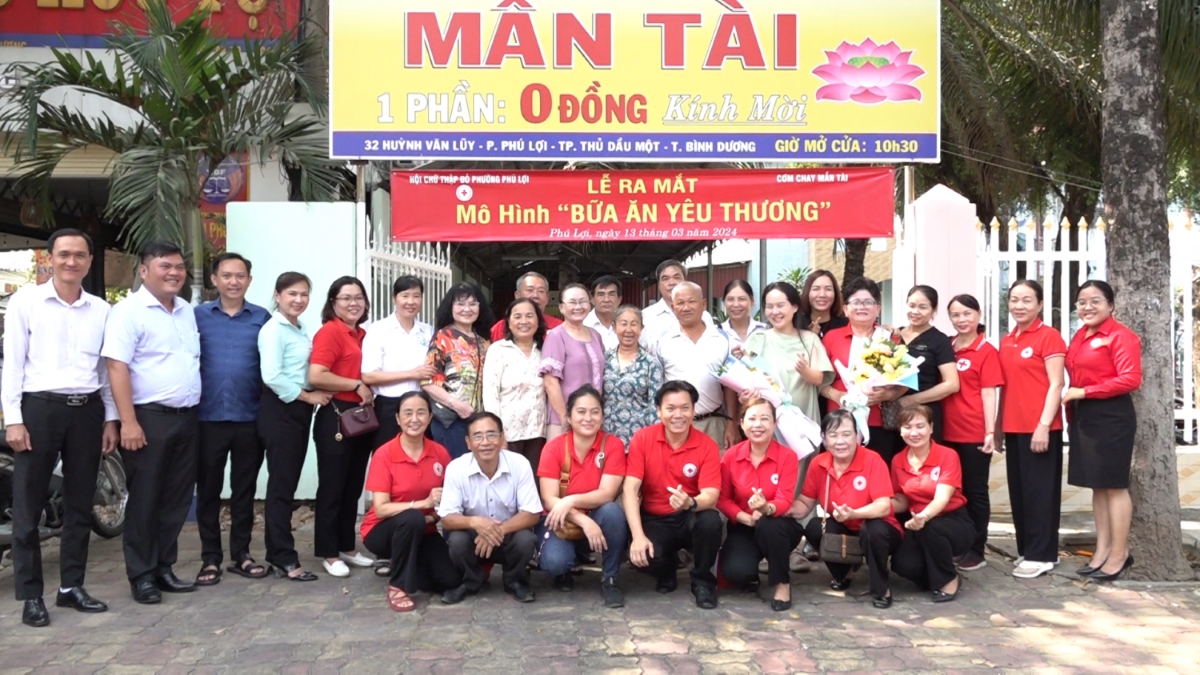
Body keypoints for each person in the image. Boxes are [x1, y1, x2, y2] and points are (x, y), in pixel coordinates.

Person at [2, 228, 119, 627]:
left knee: (80, 502)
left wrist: (110, 417)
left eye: (80, 255)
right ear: (50, 257)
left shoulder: (101, 310)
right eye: (64, 254)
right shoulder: (26, 302)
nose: (72, 261)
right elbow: (12, 364)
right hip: (40, 410)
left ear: (89, 261)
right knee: (28, 505)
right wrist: (14, 419)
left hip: (86, 411)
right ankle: (31, 594)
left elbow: (104, 371)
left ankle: (71, 586)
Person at [103, 241, 203, 604]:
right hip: (147, 418)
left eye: (179, 266)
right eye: (165, 266)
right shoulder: (127, 312)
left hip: (186, 417)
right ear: (144, 271)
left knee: (176, 497)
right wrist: (126, 422)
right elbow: (116, 367)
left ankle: (164, 567)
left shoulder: (186, 311)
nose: (174, 273)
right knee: (145, 498)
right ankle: (141, 575)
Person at [744, 280, 834, 570]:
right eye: (769, 306)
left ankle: (793, 547)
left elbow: (821, 379)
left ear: (795, 307)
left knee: (799, 484)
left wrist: (806, 371)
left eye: (781, 305)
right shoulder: (758, 340)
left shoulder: (809, 340)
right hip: (768, 424)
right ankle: (767, 546)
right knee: (767, 482)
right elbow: (746, 377)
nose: (775, 311)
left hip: (802, 424)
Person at [193, 253, 270, 587]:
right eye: (226, 275)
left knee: (244, 491)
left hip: (249, 418)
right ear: (214, 279)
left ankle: (241, 554)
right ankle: (210, 558)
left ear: (249, 280)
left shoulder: (262, 318)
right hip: (206, 417)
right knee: (208, 491)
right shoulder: (196, 317)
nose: (233, 282)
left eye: (240, 276)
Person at [1063, 280, 1141, 581]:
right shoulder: (1080, 335)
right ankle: (1102, 549)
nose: (1088, 307)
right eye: (1082, 302)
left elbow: (1130, 378)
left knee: (1114, 485)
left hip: (1111, 416)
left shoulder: (1121, 336)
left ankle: (1120, 554)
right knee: (1098, 485)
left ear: (1111, 305)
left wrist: (1085, 392)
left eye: (1096, 301)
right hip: (1085, 416)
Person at [623, 380, 723, 609]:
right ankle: (667, 569)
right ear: (659, 411)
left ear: (694, 410)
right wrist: (637, 536)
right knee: (643, 557)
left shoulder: (706, 445)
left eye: (685, 408)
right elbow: (630, 489)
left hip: (690, 515)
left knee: (711, 521)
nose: (678, 415)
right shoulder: (643, 438)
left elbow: (711, 495)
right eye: (670, 408)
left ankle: (703, 582)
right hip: (655, 518)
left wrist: (690, 502)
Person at [788, 409, 902, 609]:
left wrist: (854, 513)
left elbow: (884, 507)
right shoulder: (818, 464)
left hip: (880, 529)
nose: (840, 441)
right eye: (833, 435)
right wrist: (780, 508)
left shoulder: (872, 460)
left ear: (857, 436)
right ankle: (844, 573)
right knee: (814, 527)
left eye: (846, 434)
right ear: (824, 439)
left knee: (873, 529)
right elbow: (805, 503)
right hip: (845, 528)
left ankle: (881, 588)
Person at [259, 272, 332, 582]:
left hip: (297, 411)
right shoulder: (273, 330)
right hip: (282, 410)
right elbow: (272, 376)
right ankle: (283, 557)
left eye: (304, 294)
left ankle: (278, 553)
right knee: (281, 487)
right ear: (277, 296)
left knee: (285, 484)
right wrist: (308, 396)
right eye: (292, 293)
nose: (298, 300)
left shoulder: (299, 329)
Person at [360, 391, 461, 611]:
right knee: (412, 518)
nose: (414, 419)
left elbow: (448, 500)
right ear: (397, 419)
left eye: (421, 413)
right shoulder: (384, 454)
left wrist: (432, 516)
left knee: (450, 580)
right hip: (382, 531)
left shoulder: (440, 453)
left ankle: (407, 563)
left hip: (424, 529)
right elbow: (381, 509)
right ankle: (397, 586)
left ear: (430, 417)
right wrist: (422, 505)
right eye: (407, 413)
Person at [535, 385, 629, 607]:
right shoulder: (554, 448)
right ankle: (564, 569)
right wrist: (582, 520)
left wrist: (571, 500)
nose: (588, 418)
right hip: (560, 520)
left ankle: (611, 578)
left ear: (602, 416)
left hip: (597, 515)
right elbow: (549, 499)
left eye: (595, 412)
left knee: (613, 512)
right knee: (555, 563)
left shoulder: (612, 445)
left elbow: (607, 493)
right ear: (568, 416)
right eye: (581, 411)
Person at [308, 276, 376, 579]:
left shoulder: (361, 334)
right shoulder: (331, 332)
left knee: (352, 486)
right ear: (333, 303)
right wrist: (356, 384)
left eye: (358, 297)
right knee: (333, 486)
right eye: (346, 298)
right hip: (337, 415)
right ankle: (329, 552)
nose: (353, 303)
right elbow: (317, 375)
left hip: (360, 417)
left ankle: (347, 546)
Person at [998, 280, 1066, 579]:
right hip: (1013, 427)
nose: (1019, 305)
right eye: (1014, 299)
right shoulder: (1006, 340)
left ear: (1039, 304)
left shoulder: (1049, 336)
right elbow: (1006, 388)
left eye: (1027, 300)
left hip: (1040, 427)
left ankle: (1043, 555)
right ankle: (1028, 548)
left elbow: (1057, 384)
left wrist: (1043, 425)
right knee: (1021, 492)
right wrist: (998, 427)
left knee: (1041, 493)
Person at [438, 413, 542, 604]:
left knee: (525, 540)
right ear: (468, 442)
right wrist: (475, 522)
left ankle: (515, 581)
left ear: (502, 438)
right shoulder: (456, 468)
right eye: (478, 436)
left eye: (491, 435)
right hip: (474, 537)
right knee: (457, 541)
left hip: (508, 533)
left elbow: (532, 513)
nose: (485, 442)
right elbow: (446, 518)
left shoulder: (519, 464)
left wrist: (497, 530)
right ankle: (470, 582)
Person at [717, 399, 803, 611]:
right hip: (744, 526)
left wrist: (766, 509)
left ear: (774, 423)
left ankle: (782, 583)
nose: (758, 424)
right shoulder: (730, 456)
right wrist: (746, 518)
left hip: (780, 527)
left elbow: (785, 499)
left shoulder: (787, 456)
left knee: (769, 524)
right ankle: (752, 571)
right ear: (741, 423)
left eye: (765, 419)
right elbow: (723, 499)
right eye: (752, 419)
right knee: (737, 572)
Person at [942, 294, 1004, 571]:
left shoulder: (986, 350)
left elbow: (989, 394)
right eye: (955, 315)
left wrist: (990, 432)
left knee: (975, 492)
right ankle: (957, 544)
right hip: (945, 432)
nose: (961, 320)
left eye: (967, 313)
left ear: (979, 314)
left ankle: (976, 549)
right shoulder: (948, 346)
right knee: (953, 492)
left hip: (973, 433)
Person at [889, 406, 973, 603]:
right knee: (902, 565)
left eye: (920, 426)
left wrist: (924, 517)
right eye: (907, 427)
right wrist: (875, 506)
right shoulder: (897, 460)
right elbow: (901, 499)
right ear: (900, 431)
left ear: (931, 427)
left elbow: (942, 499)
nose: (914, 433)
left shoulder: (947, 455)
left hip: (953, 521)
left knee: (932, 528)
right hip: (919, 523)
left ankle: (949, 580)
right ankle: (935, 577)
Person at [820, 276, 907, 464]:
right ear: (845, 309)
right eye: (856, 302)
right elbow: (819, 381)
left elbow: (907, 381)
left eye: (868, 302)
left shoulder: (891, 339)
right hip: (839, 419)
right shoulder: (831, 338)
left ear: (878, 308)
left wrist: (889, 395)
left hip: (878, 421)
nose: (862, 307)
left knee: (876, 470)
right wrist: (835, 395)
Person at [656, 282, 739, 450]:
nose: (686, 307)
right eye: (680, 303)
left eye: (692, 302)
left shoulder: (723, 339)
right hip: (675, 425)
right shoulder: (662, 342)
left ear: (704, 304)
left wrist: (732, 423)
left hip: (714, 423)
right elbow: (658, 385)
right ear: (672, 307)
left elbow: (730, 386)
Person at [361, 276, 435, 447]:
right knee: (387, 454)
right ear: (394, 298)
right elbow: (369, 376)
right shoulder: (379, 329)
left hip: (421, 403)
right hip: (389, 406)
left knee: (421, 454)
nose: (411, 301)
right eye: (405, 295)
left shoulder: (428, 331)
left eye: (416, 296)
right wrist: (412, 374)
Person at [423, 282, 494, 460]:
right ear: (451, 307)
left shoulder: (483, 341)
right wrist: (456, 404)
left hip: (478, 421)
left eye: (473, 304)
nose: (467, 309)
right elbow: (428, 382)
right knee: (455, 469)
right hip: (451, 421)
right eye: (460, 304)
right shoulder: (442, 337)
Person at [483, 298, 548, 470]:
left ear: (538, 321)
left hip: (538, 433)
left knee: (533, 480)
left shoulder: (545, 350)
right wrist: (496, 433)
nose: (524, 321)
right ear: (508, 322)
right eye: (517, 316)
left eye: (529, 316)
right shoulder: (498, 350)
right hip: (508, 433)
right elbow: (490, 393)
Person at [540, 283, 605, 438]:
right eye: (572, 302)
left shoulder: (595, 335)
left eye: (582, 301)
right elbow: (550, 382)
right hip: (563, 419)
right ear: (561, 307)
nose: (578, 307)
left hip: (592, 418)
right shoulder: (556, 336)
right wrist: (565, 418)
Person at [897, 285, 961, 443]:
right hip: (894, 415)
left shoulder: (939, 340)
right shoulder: (894, 336)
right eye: (911, 305)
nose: (915, 311)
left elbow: (952, 384)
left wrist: (911, 400)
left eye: (923, 307)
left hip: (925, 414)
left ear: (934, 310)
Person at [602, 305, 664, 447]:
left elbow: (655, 405)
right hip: (606, 437)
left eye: (634, 324)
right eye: (623, 324)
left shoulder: (650, 363)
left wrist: (653, 440)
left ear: (641, 328)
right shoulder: (604, 359)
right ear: (614, 326)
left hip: (638, 439)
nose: (628, 330)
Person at [640, 260, 713, 350]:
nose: (672, 283)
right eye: (665, 279)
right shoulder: (646, 316)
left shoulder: (704, 316)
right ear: (658, 285)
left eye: (677, 277)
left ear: (685, 281)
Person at [489, 272, 562, 342]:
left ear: (547, 298)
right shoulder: (500, 328)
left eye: (541, 291)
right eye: (530, 290)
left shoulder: (559, 327)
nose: (535, 295)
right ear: (518, 295)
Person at [720, 279, 768, 353]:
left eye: (741, 299)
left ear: (752, 301)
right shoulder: (716, 333)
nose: (736, 304)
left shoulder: (765, 330)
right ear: (724, 302)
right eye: (730, 299)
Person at [800, 270, 848, 337]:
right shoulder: (795, 324)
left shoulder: (847, 325)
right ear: (807, 292)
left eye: (828, 289)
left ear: (835, 293)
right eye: (816, 289)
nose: (822, 295)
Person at [584, 275, 622, 352]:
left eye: (611, 294)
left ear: (619, 299)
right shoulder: (583, 324)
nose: (606, 300)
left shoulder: (627, 325)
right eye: (601, 295)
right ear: (592, 299)